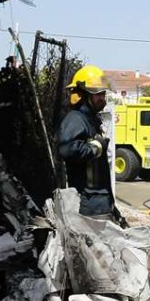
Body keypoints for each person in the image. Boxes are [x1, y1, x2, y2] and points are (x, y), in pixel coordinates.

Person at [58, 65, 123, 222]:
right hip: (89, 204)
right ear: (84, 95)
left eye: (103, 93)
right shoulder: (76, 118)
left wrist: (112, 207)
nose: (102, 98)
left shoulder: (89, 120)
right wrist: (96, 148)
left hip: (100, 202)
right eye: (97, 94)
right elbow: (67, 149)